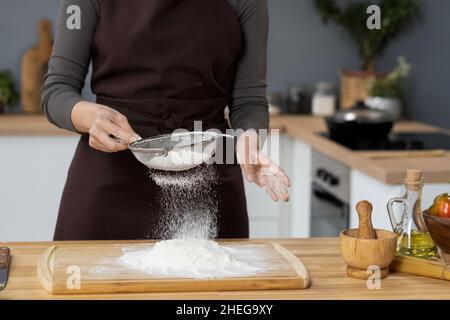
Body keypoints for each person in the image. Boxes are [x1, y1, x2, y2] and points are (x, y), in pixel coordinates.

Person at [41, 0, 290, 240]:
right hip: (109, 182)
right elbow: (56, 91)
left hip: (209, 179)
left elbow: (250, 101)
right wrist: (90, 116)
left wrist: (249, 138)